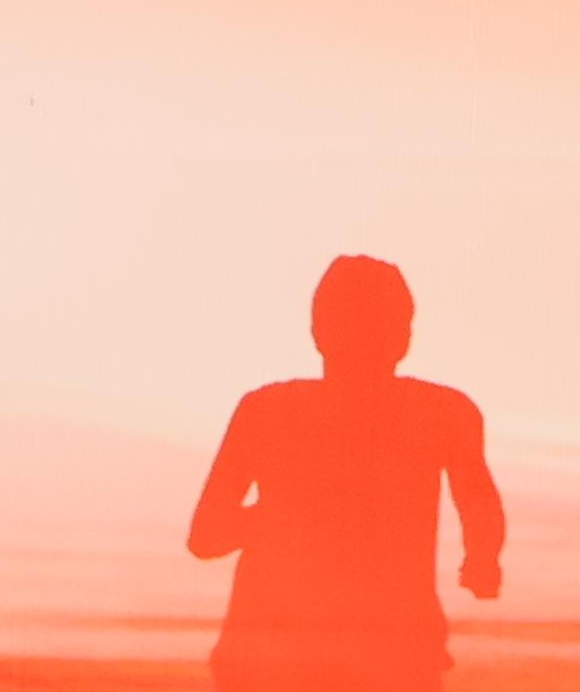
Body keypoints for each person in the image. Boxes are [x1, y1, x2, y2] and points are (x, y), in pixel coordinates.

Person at [188, 256, 505, 689]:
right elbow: (479, 505)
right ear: (404, 338)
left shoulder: (267, 411)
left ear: (317, 332)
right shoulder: (441, 414)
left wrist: (286, 515)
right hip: (370, 655)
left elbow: (206, 536)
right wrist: (482, 561)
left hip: (288, 654)